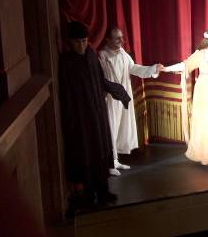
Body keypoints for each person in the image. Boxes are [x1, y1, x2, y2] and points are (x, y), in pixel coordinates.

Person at [59, 21, 131, 208]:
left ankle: (103, 191)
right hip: (82, 117)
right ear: (70, 42)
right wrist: (70, 121)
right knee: (86, 154)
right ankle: (90, 194)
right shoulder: (67, 63)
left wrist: (119, 92)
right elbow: (66, 95)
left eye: (84, 41)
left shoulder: (91, 55)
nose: (82, 46)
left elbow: (101, 80)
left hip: (97, 112)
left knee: (101, 150)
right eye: (78, 42)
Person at [99, 27, 162, 176]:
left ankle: (115, 159)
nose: (121, 41)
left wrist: (152, 69)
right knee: (111, 129)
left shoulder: (122, 53)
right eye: (117, 38)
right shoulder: (102, 56)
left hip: (122, 97)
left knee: (121, 127)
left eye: (121, 37)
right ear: (107, 39)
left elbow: (133, 68)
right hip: (110, 99)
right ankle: (109, 163)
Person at [162, 28, 208, 165]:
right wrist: (165, 69)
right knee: (205, 118)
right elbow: (185, 65)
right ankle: (205, 150)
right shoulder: (200, 54)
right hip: (204, 89)